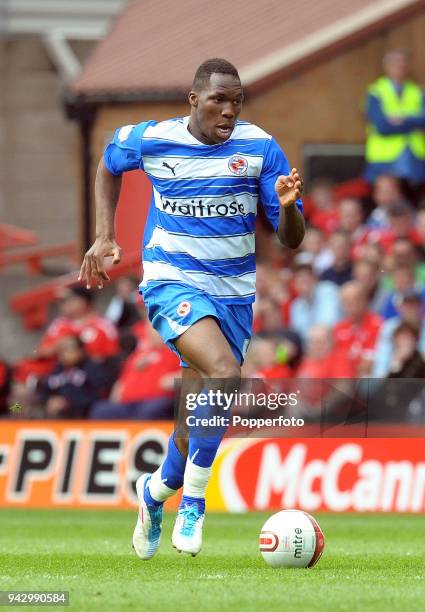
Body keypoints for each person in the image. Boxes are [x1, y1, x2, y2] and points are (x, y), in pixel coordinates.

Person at [78, 59, 305, 559]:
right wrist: (104, 235)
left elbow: (291, 241)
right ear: (193, 99)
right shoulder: (152, 139)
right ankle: (195, 503)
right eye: (218, 100)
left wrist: (287, 207)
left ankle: (155, 492)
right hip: (171, 279)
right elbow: (107, 163)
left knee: (192, 423)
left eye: (236, 101)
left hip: (233, 294)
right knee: (226, 372)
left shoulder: (260, 148)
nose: (228, 110)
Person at [364, 49, 425, 186]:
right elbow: (382, 126)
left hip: (415, 161)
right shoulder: (376, 92)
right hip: (384, 161)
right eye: (396, 64)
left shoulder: (417, 92)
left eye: (403, 65)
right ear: (387, 68)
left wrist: (402, 118)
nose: (400, 68)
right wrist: (414, 123)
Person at [289, 263, 341, 344]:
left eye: (306, 280)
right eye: (300, 281)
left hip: (334, 342)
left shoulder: (328, 290)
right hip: (311, 349)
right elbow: (298, 336)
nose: (304, 285)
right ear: (295, 285)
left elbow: (329, 324)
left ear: (315, 279)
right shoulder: (296, 306)